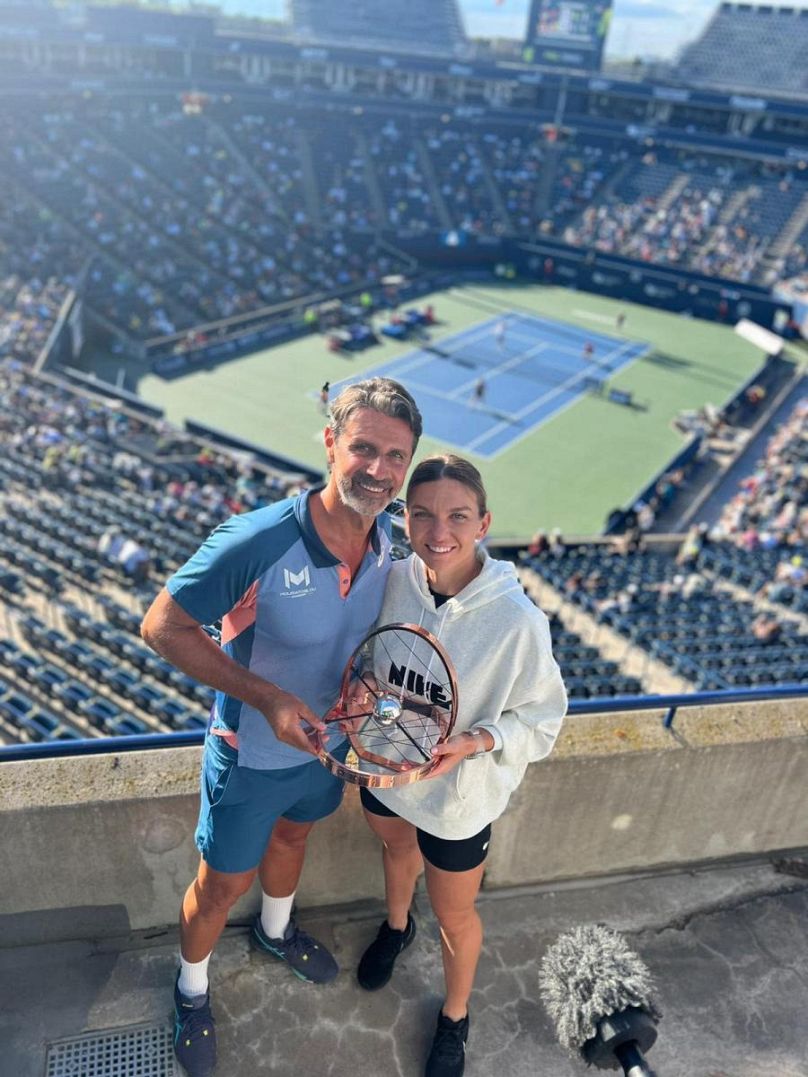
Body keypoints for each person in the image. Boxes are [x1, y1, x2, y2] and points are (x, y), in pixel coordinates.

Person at [141, 378, 422, 1077]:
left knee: (296, 836)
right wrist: (266, 697)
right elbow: (161, 625)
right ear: (330, 442)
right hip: (250, 754)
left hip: (323, 753)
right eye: (363, 447)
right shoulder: (261, 538)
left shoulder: (388, 536)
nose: (378, 469)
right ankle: (191, 990)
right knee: (218, 885)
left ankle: (275, 931)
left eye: (395, 456)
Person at [354, 455, 567, 1077]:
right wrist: (366, 692)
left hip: (457, 801)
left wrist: (476, 742)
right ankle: (396, 928)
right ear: (405, 518)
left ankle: (454, 1014)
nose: (437, 530)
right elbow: (374, 662)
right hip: (387, 773)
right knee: (395, 855)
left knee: (454, 915)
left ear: (483, 523)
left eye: (456, 516)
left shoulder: (519, 622)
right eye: (421, 514)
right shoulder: (395, 579)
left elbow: (545, 719)